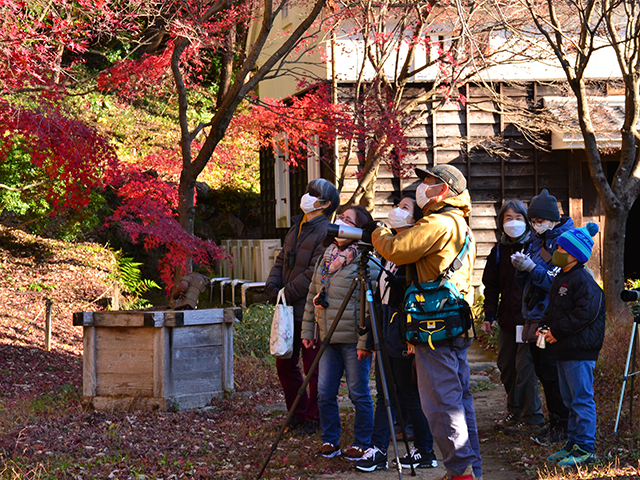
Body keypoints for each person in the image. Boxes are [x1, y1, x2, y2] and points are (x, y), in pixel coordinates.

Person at [370, 165, 482, 480]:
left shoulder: (438, 221)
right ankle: (470, 469)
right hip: (454, 321)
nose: (422, 187)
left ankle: (460, 471)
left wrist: (377, 230)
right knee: (459, 399)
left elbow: (396, 250)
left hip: (434, 326)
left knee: (441, 402)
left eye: (428, 182)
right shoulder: (460, 223)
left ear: (444, 189)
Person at [355, 194, 437, 472]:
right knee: (385, 391)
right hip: (386, 328)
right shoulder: (388, 251)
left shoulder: (412, 252)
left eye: (405, 208)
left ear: (416, 219)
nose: (397, 211)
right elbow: (378, 298)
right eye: (397, 205)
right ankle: (379, 448)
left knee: (407, 392)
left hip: (403, 330)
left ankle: (423, 450)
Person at [301, 206, 379, 461]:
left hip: (353, 341)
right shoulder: (326, 256)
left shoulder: (367, 260)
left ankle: (361, 442)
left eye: (348, 220)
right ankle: (330, 440)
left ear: (359, 229)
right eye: (341, 218)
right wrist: (308, 330)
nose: (341, 223)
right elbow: (313, 294)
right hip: (327, 338)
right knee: (324, 393)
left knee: (359, 393)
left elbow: (370, 307)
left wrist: (365, 341)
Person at [265, 178, 340, 437]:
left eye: (314, 194)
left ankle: (314, 417)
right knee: (285, 363)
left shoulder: (326, 231)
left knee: (313, 367)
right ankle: (295, 413)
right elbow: (281, 259)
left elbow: (314, 272)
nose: (307, 196)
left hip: (310, 311)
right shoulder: (296, 227)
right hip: (286, 309)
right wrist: (273, 284)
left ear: (326, 203)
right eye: (307, 191)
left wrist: (287, 291)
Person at [538, 222, 605, 467]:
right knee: (569, 399)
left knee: (581, 399)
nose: (555, 250)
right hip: (564, 350)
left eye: (560, 248)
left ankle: (586, 448)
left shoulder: (583, 280)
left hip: (580, 350)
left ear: (574, 254)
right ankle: (573, 444)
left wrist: (556, 330)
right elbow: (554, 309)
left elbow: (585, 313)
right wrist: (545, 326)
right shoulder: (562, 278)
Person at [510, 189, 572, 444]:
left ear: (552, 219)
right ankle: (553, 424)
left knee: (553, 376)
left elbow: (557, 282)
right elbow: (530, 279)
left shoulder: (564, 242)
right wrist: (521, 267)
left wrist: (532, 268)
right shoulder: (536, 241)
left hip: (552, 319)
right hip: (534, 317)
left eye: (539, 221)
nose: (536, 225)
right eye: (533, 221)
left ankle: (564, 427)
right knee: (544, 375)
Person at [481, 201, 544, 433]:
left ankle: (532, 418)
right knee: (506, 366)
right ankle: (514, 411)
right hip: (508, 320)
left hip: (530, 320)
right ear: (501, 223)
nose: (513, 222)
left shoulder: (537, 248)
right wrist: (489, 315)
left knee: (525, 368)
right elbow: (491, 287)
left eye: (518, 217)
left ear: (527, 220)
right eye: (508, 218)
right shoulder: (498, 252)